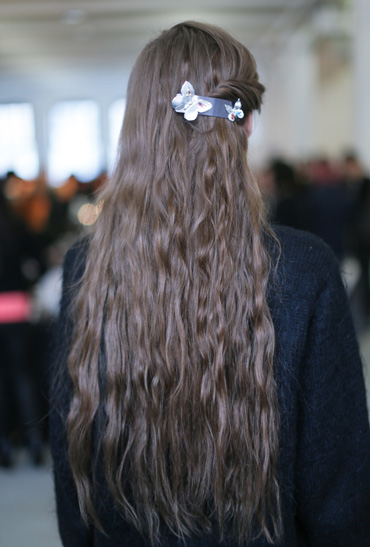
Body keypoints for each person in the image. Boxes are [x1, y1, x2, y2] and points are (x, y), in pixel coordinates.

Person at [49, 21, 370, 546]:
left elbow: (74, 478)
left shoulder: (85, 268)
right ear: (242, 128)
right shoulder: (303, 269)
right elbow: (339, 498)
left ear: (138, 126)